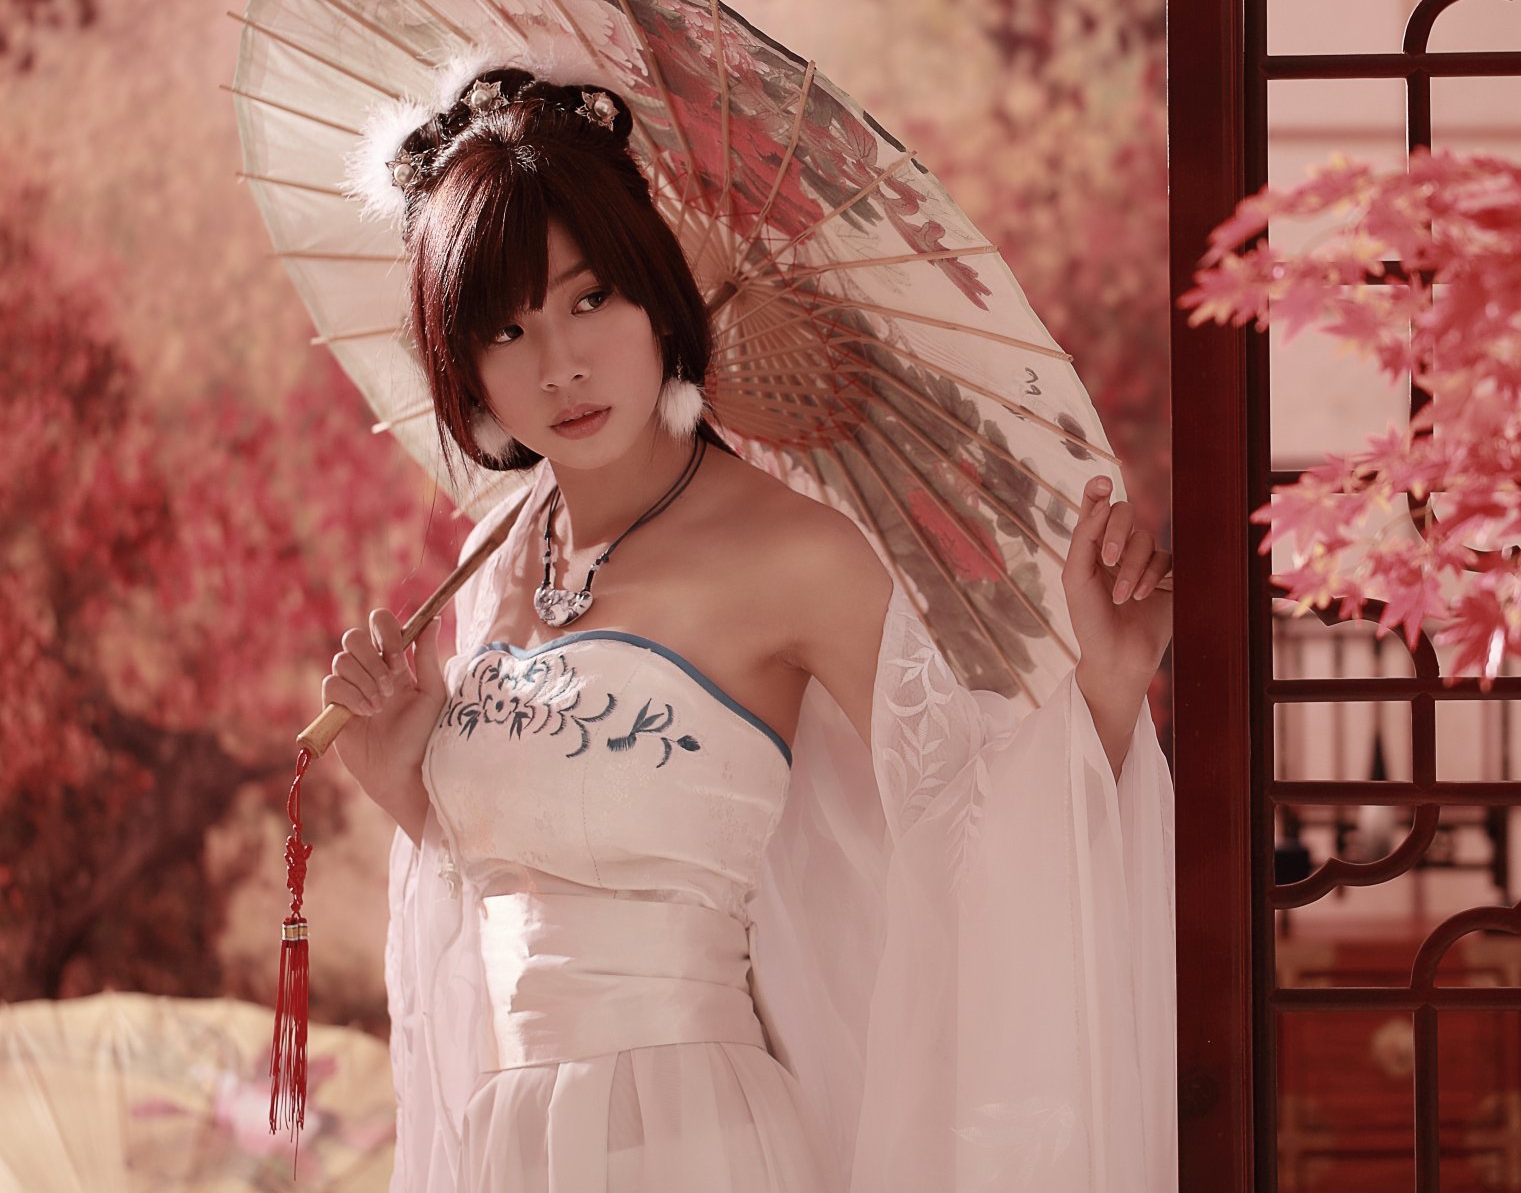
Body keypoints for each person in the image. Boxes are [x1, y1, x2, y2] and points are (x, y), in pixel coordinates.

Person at [320, 64, 1175, 1192]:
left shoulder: (794, 553)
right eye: (506, 328)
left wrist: (1106, 691)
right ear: (464, 367)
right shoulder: (492, 569)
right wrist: (411, 790)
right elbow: (524, 882)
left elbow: (958, 827)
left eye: (591, 298)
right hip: (513, 1142)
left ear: (658, 295)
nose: (560, 363)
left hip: (694, 1140)